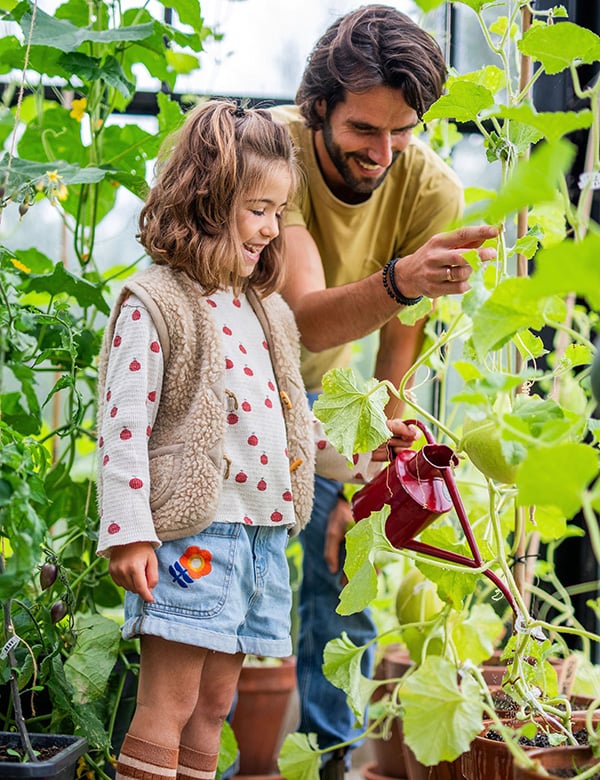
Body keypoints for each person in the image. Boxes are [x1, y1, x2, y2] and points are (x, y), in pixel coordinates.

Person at [95, 98, 420, 780]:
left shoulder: (265, 310)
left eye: (280, 211)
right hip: (195, 538)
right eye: (259, 209)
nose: (274, 229)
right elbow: (121, 427)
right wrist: (126, 530)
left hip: (261, 541)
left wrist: (367, 457)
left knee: (216, 705)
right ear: (206, 200)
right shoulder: (157, 302)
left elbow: (293, 429)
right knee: (171, 700)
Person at [271, 5, 499, 778]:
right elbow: (304, 319)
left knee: (346, 575)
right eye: (365, 130)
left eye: (403, 130)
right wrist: (403, 278)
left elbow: (396, 361)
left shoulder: (428, 188)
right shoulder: (275, 151)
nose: (384, 152)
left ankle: (333, 758)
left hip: (330, 407)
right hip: (236, 397)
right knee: (228, 589)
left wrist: (363, 485)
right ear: (320, 107)